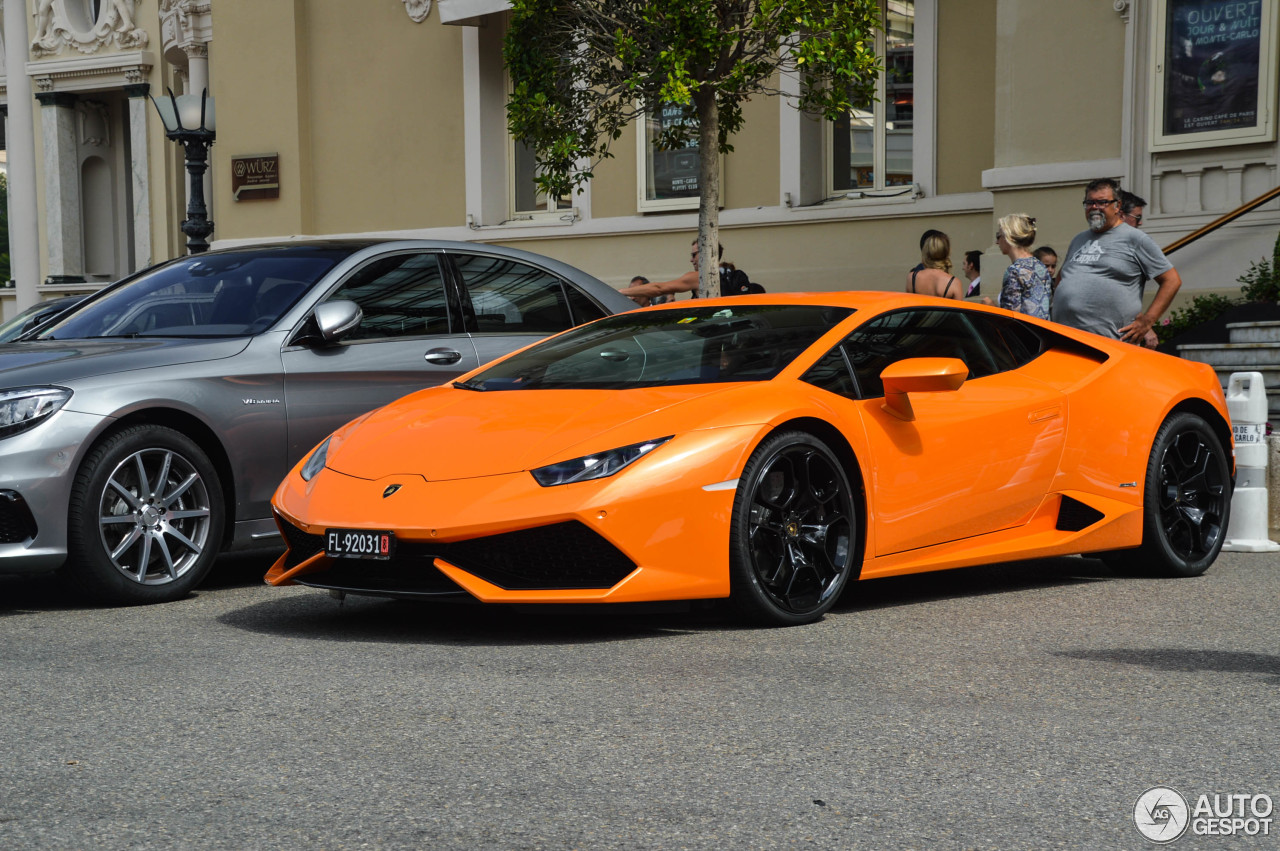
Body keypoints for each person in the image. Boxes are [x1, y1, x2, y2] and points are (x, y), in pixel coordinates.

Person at [1052, 178, 1181, 346]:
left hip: (1109, 343)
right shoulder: (1079, 239)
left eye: (1102, 202)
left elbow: (1171, 280)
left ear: (1117, 206)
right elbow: (1063, 277)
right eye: (1089, 202)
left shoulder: (1135, 238)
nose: (1094, 207)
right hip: (1065, 339)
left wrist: (1147, 322)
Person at [620, 238, 716, 305]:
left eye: (694, 255)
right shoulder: (719, 274)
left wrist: (621, 292)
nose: (691, 260)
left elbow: (658, 288)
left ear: (706, 253)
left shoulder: (700, 277)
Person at [993, 214, 1051, 319]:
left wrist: (990, 307)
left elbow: (1010, 317)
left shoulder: (1015, 271)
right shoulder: (1040, 266)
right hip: (1042, 332)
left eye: (998, 236)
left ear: (1008, 237)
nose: (997, 242)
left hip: (1024, 334)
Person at [906, 232, 963, 299]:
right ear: (946, 252)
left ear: (925, 251)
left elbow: (909, 306)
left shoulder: (912, 278)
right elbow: (959, 308)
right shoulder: (954, 283)